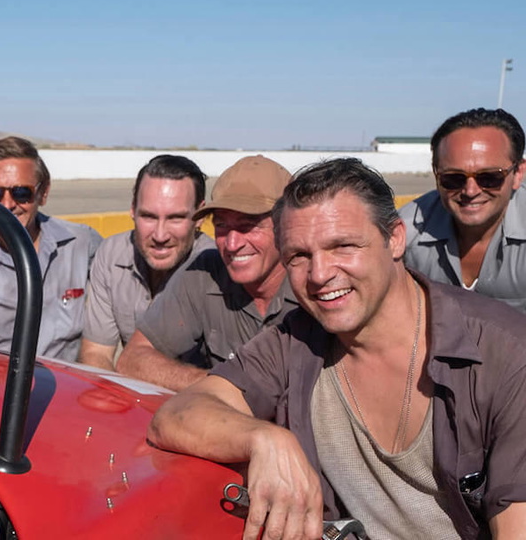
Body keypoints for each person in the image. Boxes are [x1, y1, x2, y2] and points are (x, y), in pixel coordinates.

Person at [149, 158, 526, 540]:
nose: (319, 274)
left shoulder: (505, 354)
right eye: (299, 256)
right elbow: (176, 415)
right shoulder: (297, 339)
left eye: (343, 246)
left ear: (395, 238)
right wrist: (265, 438)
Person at [116, 155, 297, 391]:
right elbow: (132, 360)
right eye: (221, 225)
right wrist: (227, 386)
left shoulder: (314, 283)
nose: (232, 244)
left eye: (248, 226)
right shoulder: (205, 273)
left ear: (287, 226)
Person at [0, 136, 103, 361]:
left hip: (62, 381)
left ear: (43, 193)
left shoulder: (81, 243)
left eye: (21, 193)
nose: (7, 204)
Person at [78, 154, 213, 370]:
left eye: (175, 218)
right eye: (149, 216)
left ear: (200, 216)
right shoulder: (112, 254)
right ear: (132, 209)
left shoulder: (217, 271)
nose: (160, 235)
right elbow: (96, 353)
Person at [400, 107, 526, 312]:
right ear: (436, 174)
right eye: (453, 178)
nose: (470, 191)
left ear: (518, 173)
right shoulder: (402, 234)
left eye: (489, 177)